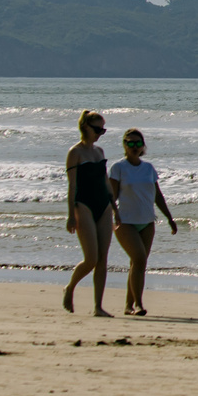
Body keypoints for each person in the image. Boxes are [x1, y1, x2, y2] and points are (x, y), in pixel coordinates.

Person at [107, 128, 177, 317]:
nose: (134, 147)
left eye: (138, 143)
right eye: (130, 143)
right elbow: (111, 196)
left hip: (147, 222)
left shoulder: (148, 168)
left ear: (143, 146)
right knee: (139, 259)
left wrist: (169, 218)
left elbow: (157, 195)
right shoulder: (118, 168)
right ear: (124, 145)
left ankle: (128, 305)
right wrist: (113, 214)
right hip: (125, 222)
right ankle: (138, 304)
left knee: (137, 264)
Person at [62, 110, 116, 317]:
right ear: (85, 127)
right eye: (97, 129)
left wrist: (115, 209)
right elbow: (72, 186)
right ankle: (70, 287)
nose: (100, 134)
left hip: (104, 206)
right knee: (91, 258)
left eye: (103, 130)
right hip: (83, 205)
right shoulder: (75, 152)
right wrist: (70, 215)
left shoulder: (99, 152)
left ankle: (98, 307)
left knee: (103, 259)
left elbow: (105, 182)